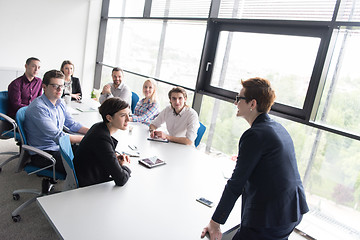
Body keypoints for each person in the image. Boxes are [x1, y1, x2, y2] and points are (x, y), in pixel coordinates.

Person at [201, 77, 309, 240]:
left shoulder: (254, 135)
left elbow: (236, 184)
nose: (235, 103)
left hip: (270, 218)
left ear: (252, 104)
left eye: (238, 99)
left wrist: (215, 223)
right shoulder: (277, 128)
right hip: (292, 211)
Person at [24, 70, 89, 175]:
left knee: (93, 153)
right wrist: (88, 138)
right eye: (55, 86)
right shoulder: (38, 108)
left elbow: (72, 124)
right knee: (83, 168)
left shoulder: (60, 102)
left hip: (59, 147)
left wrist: (92, 132)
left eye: (62, 86)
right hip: (44, 153)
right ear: (44, 87)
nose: (60, 89)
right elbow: (59, 137)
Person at [73, 97, 131, 187]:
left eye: (128, 114)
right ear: (109, 118)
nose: (128, 119)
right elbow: (121, 179)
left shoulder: (98, 127)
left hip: (88, 174)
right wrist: (125, 166)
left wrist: (114, 158)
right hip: (90, 184)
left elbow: (103, 153)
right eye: (123, 115)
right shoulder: (102, 138)